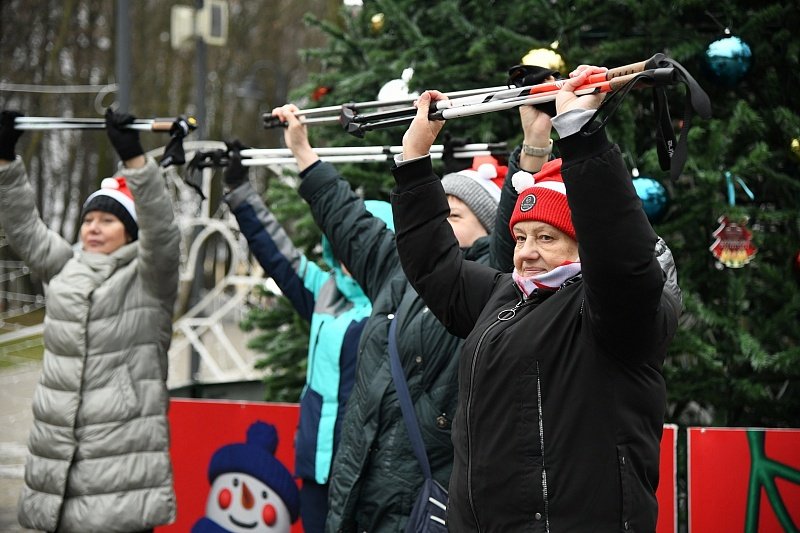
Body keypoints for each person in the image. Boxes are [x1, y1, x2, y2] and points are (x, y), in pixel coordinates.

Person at [390, 65, 682, 531]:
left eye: (546, 238)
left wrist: (580, 134)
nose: (525, 254)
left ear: (585, 244)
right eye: (521, 237)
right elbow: (434, 266)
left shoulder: (616, 309)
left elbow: (621, 253)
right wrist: (414, 158)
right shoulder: (506, 295)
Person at [268, 103, 503, 532]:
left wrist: (536, 144)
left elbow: (510, 238)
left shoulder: (491, 288)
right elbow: (347, 220)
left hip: (420, 506)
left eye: (455, 215)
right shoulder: (397, 269)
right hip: (358, 495)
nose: (441, 222)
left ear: (488, 231)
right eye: (438, 211)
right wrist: (302, 152)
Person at [0, 108, 181, 533]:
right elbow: (25, 227)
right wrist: (5, 161)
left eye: (108, 220)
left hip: (120, 471)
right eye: (88, 219)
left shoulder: (149, 280)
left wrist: (136, 162)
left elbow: (163, 234)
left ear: (131, 232)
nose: (93, 228)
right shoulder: (66, 268)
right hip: (60, 463)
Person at [220, 141, 395, 533]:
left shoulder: (406, 301)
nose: (352, 256)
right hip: (316, 469)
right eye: (345, 245)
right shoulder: (324, 291)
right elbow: (275, 251)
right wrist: (240, 191)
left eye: (362, 243)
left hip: (375, 477)